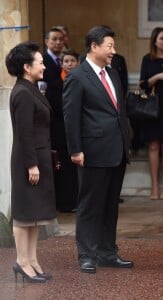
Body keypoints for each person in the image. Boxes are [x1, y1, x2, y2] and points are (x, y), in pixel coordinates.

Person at [62, 26, 133, 273]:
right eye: (109, 46)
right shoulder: (77, 76)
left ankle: (107, 252)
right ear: (94, 46)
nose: (113, 51)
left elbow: (118, 111)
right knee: (90, 205)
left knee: (110, 205)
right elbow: (71, 117)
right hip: (92, 151)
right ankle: (87, 254)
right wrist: (75, 150)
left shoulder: (112, 74)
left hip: (117, 151)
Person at [6, 41, 56, 283]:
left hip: (39, 158)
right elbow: (24, 133)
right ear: (27, 67)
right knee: (24, 214)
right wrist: (31, 164)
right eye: (40, 62)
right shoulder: (23, 93)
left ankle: (32, 259)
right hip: (30, 160)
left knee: (36, 214)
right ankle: (21, 261)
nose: (44, 66)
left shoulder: (31, 88)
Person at [43, 27, 78, 212]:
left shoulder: (79, 80)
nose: (69, 64)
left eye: (73, 61)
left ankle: (73, 200)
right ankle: (63, 202)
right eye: (67, 61)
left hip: (75, 129)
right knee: (61, 166)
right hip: (59, 127)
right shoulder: (55, 81)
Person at [139, 27, 163, 200]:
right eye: (162, 38)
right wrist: (157, 77)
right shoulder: (147, 59)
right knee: (153, 146)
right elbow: (143, 85)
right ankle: (154, 186)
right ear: (154, 41)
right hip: (152, 107)